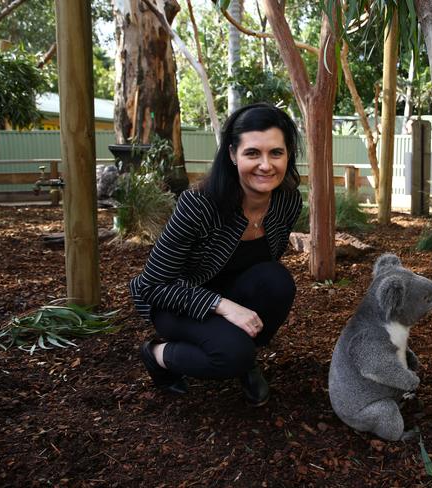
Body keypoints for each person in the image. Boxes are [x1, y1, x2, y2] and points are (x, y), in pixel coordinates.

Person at [129, 103, 303, 406]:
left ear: (288, 155)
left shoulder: (287, 201)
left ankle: (243, 356)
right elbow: (152, 285)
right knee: (231, 354)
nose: (266, 165)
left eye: (276, 152)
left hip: (229, 295)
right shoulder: (199, 204)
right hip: (175, 302)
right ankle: (158, 354)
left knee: (277, 281)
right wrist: (221, 305)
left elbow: (265, 266)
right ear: (233, 155)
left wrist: (233, 307)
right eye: (252, 153)